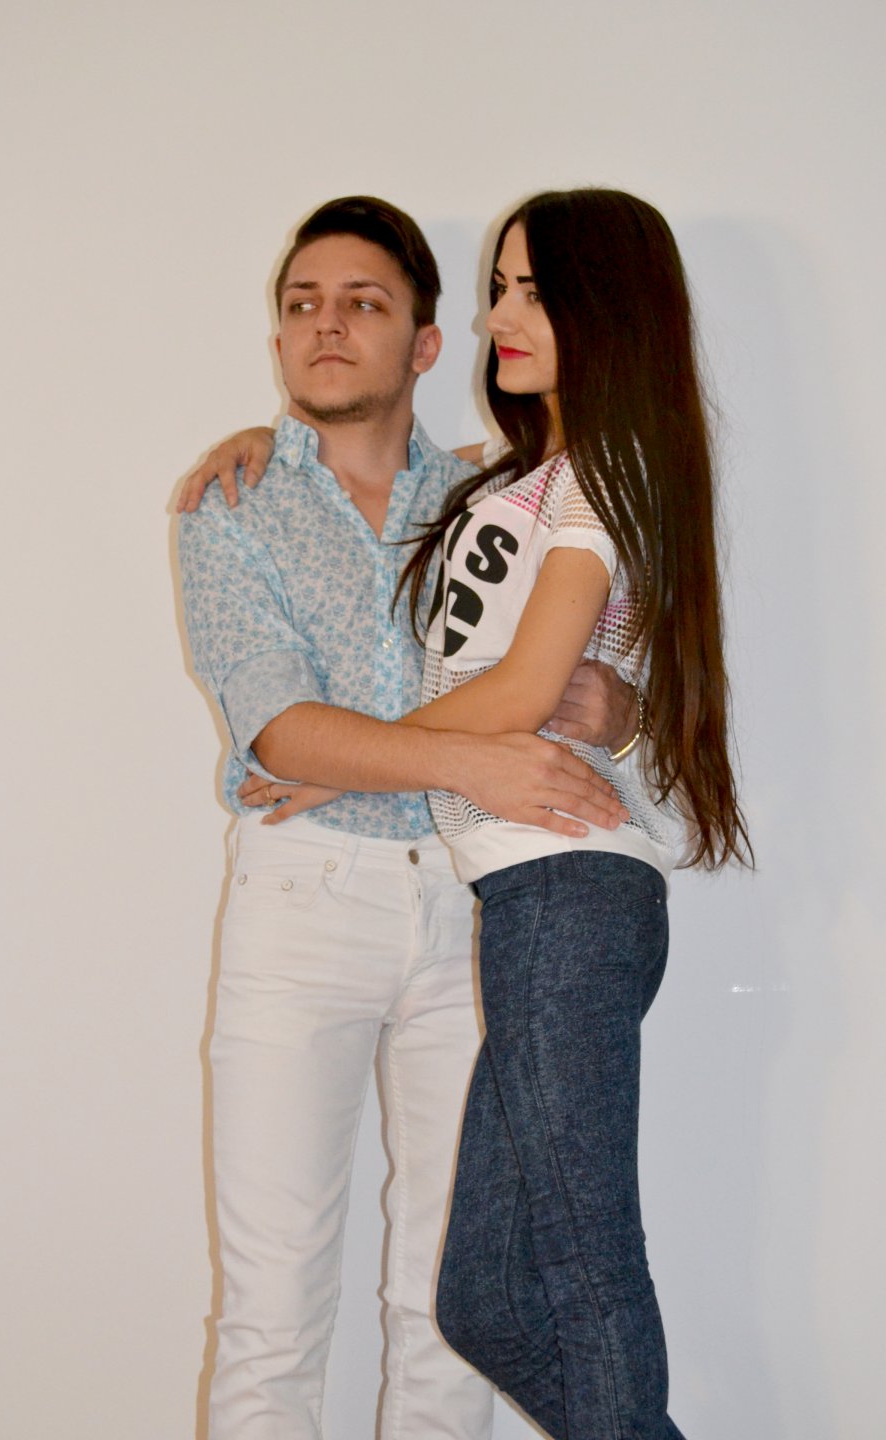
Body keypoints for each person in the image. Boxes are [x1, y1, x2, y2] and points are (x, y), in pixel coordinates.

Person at [241, 190, 752, 1440]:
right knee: (482, 1300)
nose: (497, 317)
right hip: (524, 903)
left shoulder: (607, 471)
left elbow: (523, 691)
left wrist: (352, 764)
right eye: (499, 289)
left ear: (605, 310)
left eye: (531, 290)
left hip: (571, 892)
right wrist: (262, 445)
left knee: (587, 1274)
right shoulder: (525, 476)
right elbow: (382, 467)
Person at [177, 196, 635, 1440]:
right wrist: (466, 760)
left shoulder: (500, 494)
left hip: (471, 908)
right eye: (302, 305)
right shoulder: (231, 504)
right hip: (303, 904)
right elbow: (283, 733)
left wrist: (620, 706)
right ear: (279, 337)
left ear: (426, 343)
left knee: (447, 1313)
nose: (326, 326)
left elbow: (591, 666)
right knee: (271, 1314)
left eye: (362, 304)